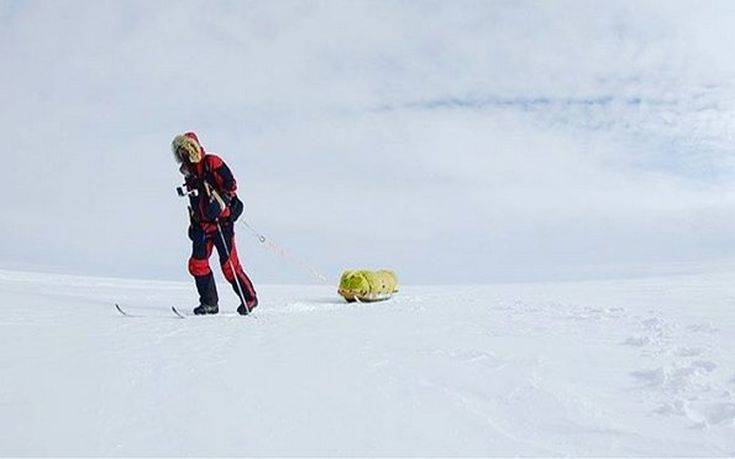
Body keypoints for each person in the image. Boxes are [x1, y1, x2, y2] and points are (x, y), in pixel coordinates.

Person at [171, 132, 258, 315]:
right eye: (181, 153)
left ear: (193, 149)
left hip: (222, 223)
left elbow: (231, 184)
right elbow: (194, 202)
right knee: (197, 264)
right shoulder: (189, 174)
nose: (184, 156)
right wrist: (194, 224)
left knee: (229, 267)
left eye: (186, 151)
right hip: (202, 226)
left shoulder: (212, 162)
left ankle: (249, 298)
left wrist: (220, 204)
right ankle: (209, 303)